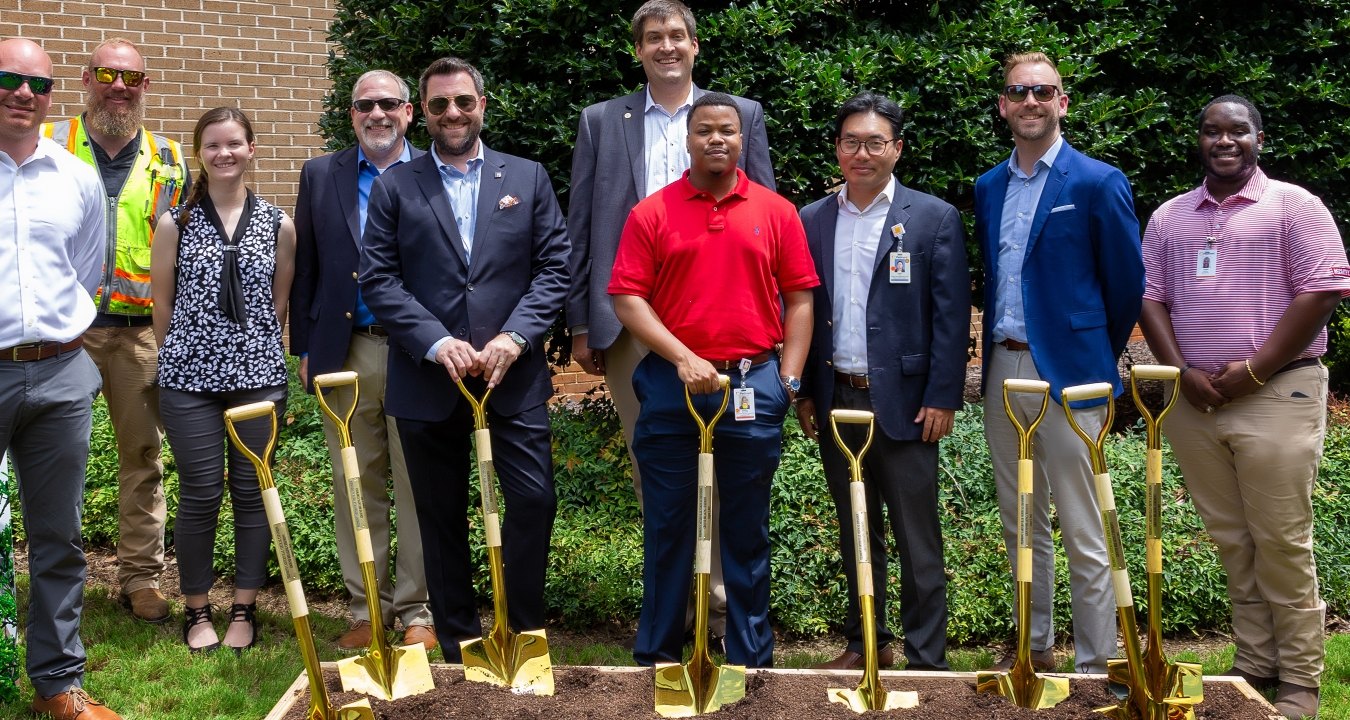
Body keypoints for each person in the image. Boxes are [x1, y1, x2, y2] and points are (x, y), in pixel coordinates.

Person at [566, 0, 776, 644]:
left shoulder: (738, 116)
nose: (666, 46)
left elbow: (764, 215)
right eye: (654, 37)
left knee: (729, 469)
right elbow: (582, 226)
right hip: (633, 324)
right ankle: (673, 611)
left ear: (695, 46)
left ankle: (720, 614)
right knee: (656, 470)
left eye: (677, 36)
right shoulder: (603, 121)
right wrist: (581, 321)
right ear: (638, 50)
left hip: (720, 326)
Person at [1139, 94, 1349, 720]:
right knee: (1232, 540)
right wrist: (1182, 371)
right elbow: (1150, 297)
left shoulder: (1294, 205)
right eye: (1211, 131)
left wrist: (1253, 371)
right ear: (1198, 140)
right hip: (1196, 402)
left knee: (1281, 541)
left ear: (1259, 138)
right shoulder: (1172, 217)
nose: (1223, 141)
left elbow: (1322, 291)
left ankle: (1302, 679)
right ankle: (1255, 665)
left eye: (1237, 131)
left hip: (1278, 395)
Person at [358, 57, 568, 663]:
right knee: (440, 517)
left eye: (464, 102)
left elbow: (555, 268)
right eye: (439, 104)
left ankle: (523, 635)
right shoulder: (398, 184)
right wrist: (435, 340)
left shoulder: (525, 178)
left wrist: (516, 336)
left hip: (513, 376)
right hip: (430, 378)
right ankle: (460, 644)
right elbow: (380, 279)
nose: (453, 113)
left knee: (533, 501)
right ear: (418, 112)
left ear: (482, 104)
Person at [608, 92, 817, 669]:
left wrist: (790, 381)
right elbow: (628, 298)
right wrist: (682, 357)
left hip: (754, 384)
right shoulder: (652, 213)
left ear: (742, 138)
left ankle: (752, 656)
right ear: (688, 139)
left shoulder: (777, 212)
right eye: (705, 131)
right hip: (673, 387)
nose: (716, 140)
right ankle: (658, 655)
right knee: (670, 524)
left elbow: (800, 300)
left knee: (746, 530)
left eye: (727, 130)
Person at [974, 51, 1143, 674]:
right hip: (1003, 370)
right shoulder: (989, 186)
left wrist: (1093, 353)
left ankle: (1097, 661)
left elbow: (1126, 283)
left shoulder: (1098, 181)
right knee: (1021, 516)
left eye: (1044, 91)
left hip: (1072, 374)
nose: (1031, 102)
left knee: (1083, 521)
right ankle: (1033, 649)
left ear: (1062, 102)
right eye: (1019, 92)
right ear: (1004, 106)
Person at [797, 92, 969, 672]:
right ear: (838, 149)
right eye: (851, 142)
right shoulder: (812, 218)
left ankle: (926, 655)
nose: (862, 152)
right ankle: (864, 640)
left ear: (896, 148)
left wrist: (944, 395)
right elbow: (801, 310)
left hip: (907, 402)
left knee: (917, 538)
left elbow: (950, 317)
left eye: (875, 142)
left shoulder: (932, 217)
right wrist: (804, 393)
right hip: (837, 396)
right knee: (855, 527)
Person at [41, 37, 190, 625]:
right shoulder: (50, 144)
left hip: (137, 333)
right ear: (85, 78)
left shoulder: (171, 156)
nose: (119, 87)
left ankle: (141, 578)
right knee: (55, 459)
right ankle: (59, 575)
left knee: (142, 457)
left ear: (146, 86)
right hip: (64, 332)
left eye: (132, 77)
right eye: (107, 74)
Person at [289, 69, 435, 652]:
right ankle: (365, 605)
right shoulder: (321, 173)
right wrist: (304, 347)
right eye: (365, 105)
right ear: (351, 115)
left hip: (418, 353)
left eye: (389, 104)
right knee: (356, 480)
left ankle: (418, 609)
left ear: (408, 112)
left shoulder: (433, 171)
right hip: (345, 349)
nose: (377, 114)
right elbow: (307, 267)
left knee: (418, 481)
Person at [0, 37, 122, 720]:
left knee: (59, 538)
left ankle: (58, 685)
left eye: (38, 86)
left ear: (54, 95)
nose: (23, 94)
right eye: (8, 79)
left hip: (60, 376)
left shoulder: (75, 177)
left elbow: (87, 271)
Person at [149, 107, 296, 655]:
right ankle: (196, 608)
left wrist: (249, 350)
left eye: (234, 143)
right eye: (212, 146)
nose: (224, 153)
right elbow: (162, 304)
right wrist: (183, 355)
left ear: (252, 148)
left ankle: (244, 606)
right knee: (201, 494)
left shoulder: (280, 224)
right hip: (188, 380)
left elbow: (277, 304)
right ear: (200, 154)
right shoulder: (176, 223)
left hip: (257, 378)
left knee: (254, 494)